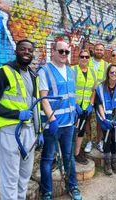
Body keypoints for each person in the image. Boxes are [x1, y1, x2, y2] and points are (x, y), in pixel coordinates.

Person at [0, 39, 41, 200]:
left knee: (25, 174)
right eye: (23, 49)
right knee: (10, 176)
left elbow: (35, 104)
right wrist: (17, 114)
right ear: (16, 52)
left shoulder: (33, 75)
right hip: (10, 131)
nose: (27, 52)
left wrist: (39, 130)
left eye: (30, 50)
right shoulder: (3, 72)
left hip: (29, 132)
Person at [38, 40, 82, 200]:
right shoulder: (45, 71)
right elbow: (43, 99)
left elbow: (69, 94)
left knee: (69, 156)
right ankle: (47, 192)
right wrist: (52, 119)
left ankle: (73, 186)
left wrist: (76, 106)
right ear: (53, 51)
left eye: (66, 52)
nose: (64, 54)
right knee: (48, 158)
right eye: (61, 51)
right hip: (53, 124)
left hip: (69, 123)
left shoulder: (70, 71)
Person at [95, 64, 116, 175]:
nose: (114, 74)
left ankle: (114, 161)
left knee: (115, 139)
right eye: (112, 72)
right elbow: (99, 105)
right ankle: (107, 162)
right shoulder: (100, 87)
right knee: (107, 139)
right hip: (104, 117)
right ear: (108, 73)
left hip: (115, 118)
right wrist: (104, 120)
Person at [73, 49, 96, 164]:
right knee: (71, 130)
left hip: (85, 107)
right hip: (74, 107)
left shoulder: (92, 72)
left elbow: (93, 91)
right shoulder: (73, 70)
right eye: (82, 57)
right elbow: (70, 89)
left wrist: (91, 104)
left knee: (81, 129)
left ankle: (77, 153)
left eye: (87, 57)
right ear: (78, 58)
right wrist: (75, 104)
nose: (84, 59)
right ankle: (67, 153)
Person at [87, 43, 108, 153]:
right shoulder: (87, 61)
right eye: (97, 49)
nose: (99, 51)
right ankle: (89, 141)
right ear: (93, 50)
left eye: (101, 50)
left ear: (103, 52)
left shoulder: (106, 65)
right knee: (87, 119)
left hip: (100, 97)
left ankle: (100, 142)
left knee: (100, 120)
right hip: (87, 96)